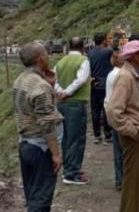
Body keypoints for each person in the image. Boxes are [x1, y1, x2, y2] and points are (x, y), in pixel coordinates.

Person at [13, 42, 63, 211]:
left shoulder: (20, 80)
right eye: (46, 53)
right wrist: (55, 153)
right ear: (41, 58)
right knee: (41, 199)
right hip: (40, 148)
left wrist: (50, 84)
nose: (48, 56)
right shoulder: (40, 87)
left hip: (25, 144)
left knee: (32, 194)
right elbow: (47, 124)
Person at [106, 40, 139, 212]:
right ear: (134, 57)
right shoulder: (125, 77)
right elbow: (113, 112)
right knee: (134, 184)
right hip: (134, 137)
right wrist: (133, 131)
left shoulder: (133, 74)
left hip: (138, 135)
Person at [54, 37, 90, 185]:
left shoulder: (60, 62)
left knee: (66, 138)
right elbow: (81, 79)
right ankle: (71, 174)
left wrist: (60, 91)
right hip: (76, 104)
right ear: (83, 47)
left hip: (62, 104)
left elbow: (53, 79)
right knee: (77, 139)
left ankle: (69, 167)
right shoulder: (83, 60)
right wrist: (68, 92)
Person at [104, 50, 124, 190]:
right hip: (120, 114)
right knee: (123, 149)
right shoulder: (120, 76)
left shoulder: (111, 74)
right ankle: (122, 179)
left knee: (118, 149)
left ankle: (119, 179)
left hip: (112, 112)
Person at [88, 32, 114, 144]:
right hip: (106, 84)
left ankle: (97, 135)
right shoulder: (108, 51)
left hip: (95, 83)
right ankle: (108, 135)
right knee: (106, 109)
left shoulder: (90, 53)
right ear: (104, 40)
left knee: (95, 110)